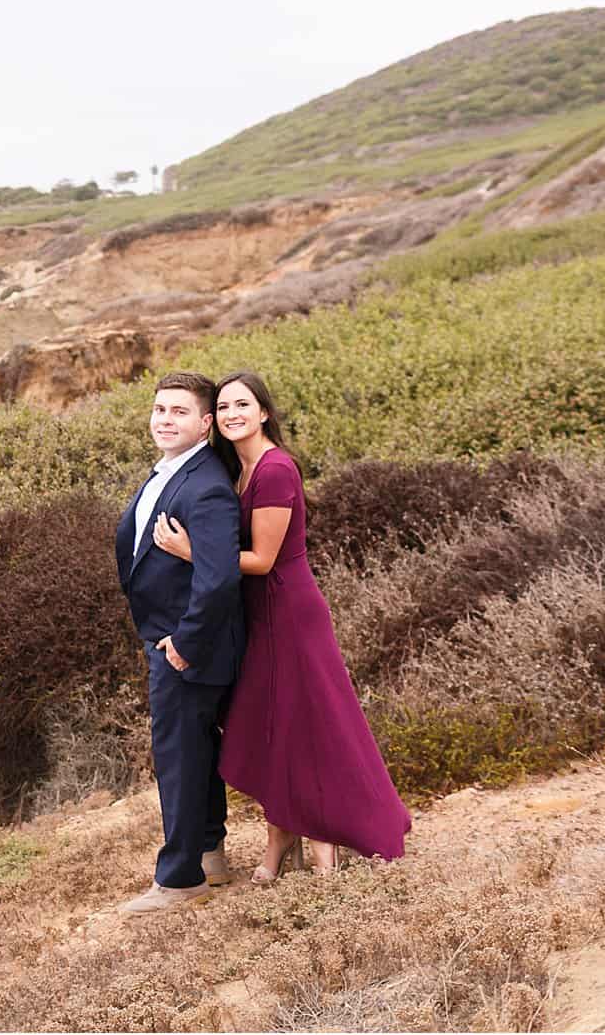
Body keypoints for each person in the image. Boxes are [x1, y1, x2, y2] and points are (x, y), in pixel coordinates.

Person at [153, 369, 410, 881]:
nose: (232, 415)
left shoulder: (273, 470)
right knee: (273, 727)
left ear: (264, 412)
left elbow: (265, 559)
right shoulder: (237, 471)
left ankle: (329, 836)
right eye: (223, 407)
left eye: (242, 405)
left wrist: (192, 552)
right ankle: (288, 832)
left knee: (309, 724)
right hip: (257, 613)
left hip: (287, 611)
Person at [113, 371, 246, 915]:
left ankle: (179, 879)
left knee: (179, 759)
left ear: (205, 423)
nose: (164, 420)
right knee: (196, 752)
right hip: (173, 638)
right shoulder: (174, 470)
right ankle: (210, 854)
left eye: (179, 412)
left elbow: (217, 578)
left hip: (188, 644)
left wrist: (185, 644)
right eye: (159, 409)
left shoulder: (207, 485)